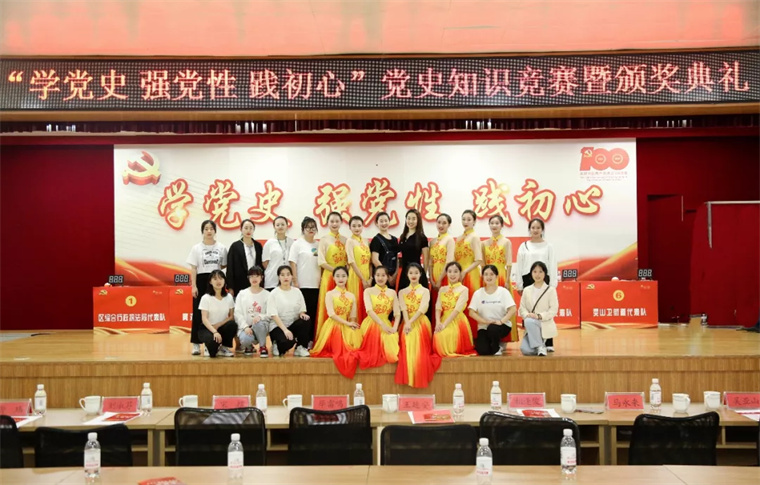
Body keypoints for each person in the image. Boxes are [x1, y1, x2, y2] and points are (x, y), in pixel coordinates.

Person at [513, 218, 558, 351]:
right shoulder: (524, 246)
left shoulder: (549, 246)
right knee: (529, 310)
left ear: (542, 229)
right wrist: (519, 284)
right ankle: (533, 341)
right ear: (529, 229)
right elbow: (519, 265)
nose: (535, 230)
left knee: (545, 310)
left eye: (538, 228)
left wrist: (552, 283)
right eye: (533, 227)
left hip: (544, 279)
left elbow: (552, 264)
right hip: (528, 279)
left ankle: (548, 342)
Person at [395, 263, 441, 388]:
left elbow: (422, 309)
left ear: (420, 274)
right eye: (411, 273)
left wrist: (410, 322)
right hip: (406, 322)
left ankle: (417, 374)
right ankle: (410, 374)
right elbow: (403, 309)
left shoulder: (425, 291)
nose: (413, 275)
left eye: (416, 272)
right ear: (407, 275)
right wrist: (407, 323)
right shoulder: (402, 292)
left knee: (417, 345)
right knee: (407, 341)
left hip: (420, 322)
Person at [310, 266, 362, 378]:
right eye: (337, 276)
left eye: (343, 276)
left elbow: (353, 316)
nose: (340, 278)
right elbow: (331, 314)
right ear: (333, 278)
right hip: (333, 326)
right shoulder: (330, 294)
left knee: (355, 347)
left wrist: (352, 326)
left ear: (347, 277)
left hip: (347, 325)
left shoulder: (351, 296)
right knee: (341, 350)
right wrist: (347, 324)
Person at [187, 220, 228, 356]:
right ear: (202, 231)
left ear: (215, 231)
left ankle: (212, 342)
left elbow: (223, 265)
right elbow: (193, 268)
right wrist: (194, 286)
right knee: (198, 312)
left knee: (215, 312)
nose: (209, 231)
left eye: (211, 228)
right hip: (201, 280)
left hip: (216, 281)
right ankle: (196, 343)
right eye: (206, 229)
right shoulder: (196, 248)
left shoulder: (221, 247)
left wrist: (217, 278)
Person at [483, 215, 519, 345]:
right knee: (489, 306)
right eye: (492, 223)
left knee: (503, 306)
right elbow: (483, 264)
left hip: (501, 276)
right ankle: (491, 337)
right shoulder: (484, 243)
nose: (494, 225)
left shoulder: (506, 242)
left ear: (502, 225)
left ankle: (504, 339)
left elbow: (509, 263)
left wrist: (507, 280)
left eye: (497, 223)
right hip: (488, 277)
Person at [357, 266, 400, 369]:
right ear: (374, 276)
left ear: (387, 277)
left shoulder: (392, 292)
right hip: (371, 324)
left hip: (387, 324)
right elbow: (369, 310)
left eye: (383, 275)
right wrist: (382, 324)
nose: (380, 278)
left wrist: (395, 328)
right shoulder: (368, 291)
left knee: (391, 345)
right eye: (378, 275)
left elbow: (397, 313)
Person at [468, 265, 517, 356]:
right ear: (482, 276)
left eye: (491, 274)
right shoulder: (478, 293)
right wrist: (485, 321)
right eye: (486, 274)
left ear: (496, 276)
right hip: (484, 326)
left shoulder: (503, 292)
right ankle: (493, 345)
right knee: (483, 350)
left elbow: (513, 309)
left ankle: (496, 347)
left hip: (501, 325)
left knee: (492, 328)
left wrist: (501, 321)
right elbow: (471, 312)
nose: (488, 277)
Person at [315, 212, 348, 338]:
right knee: (328, 307)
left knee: (342, 305)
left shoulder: (345, 240)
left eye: (337, 221)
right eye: (332, 221)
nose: (334, 224)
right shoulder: (324, 240)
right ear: (327, 223)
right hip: (329, 276)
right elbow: (321, 261)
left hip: (343, 278)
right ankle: (326, 337)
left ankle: (342, 336)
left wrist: (342, 273)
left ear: (341, 223)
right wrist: (337, 272)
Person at [433, 262, 476, 357]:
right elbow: (438, 307)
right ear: (446, 273)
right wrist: (438, 323)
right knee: (438, 335)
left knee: (446, 335)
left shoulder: (464, 289)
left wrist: (444, 325)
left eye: (456, 271)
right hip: (444, 319)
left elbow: (457, 310)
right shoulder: (442, 289)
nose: (452, 274)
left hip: (457, 320)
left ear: (460, 273)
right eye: (450, 271)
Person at [268, 265, 312, 357]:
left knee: (306, 320)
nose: (286, 277)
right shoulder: (273, 293)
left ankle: (300, 347)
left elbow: (302, 310)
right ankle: (276, 343)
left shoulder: (297, 292)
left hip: (292, 325)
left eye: (288, 274)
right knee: (286, 343)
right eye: (282, 275)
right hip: (278, 326)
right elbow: (273, 315)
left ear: (292, 276)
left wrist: (302, 314)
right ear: (279, 277)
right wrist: (285, 330)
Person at [519, 261, 559, 357]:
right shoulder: (527, 290)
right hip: (531, 324)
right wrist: (527, 315)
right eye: (535, 271)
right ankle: (540, 344)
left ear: (545, 273)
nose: (537, 274)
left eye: (540, 271)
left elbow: (553, 309)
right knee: (525, 350)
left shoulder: (550, 290)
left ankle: (540, 346)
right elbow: (522, 308)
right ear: (531, 273)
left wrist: (539, 316)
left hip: (544, 323)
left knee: (529, 321)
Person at [289, 217, 320, 338]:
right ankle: (301, 340)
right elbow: (292, 263)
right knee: (302, 313)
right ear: (303, 229)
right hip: (302, 284)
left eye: (313, 227)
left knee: (313, 312)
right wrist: (295, 280)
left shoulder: (318, 244)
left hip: (315, 284)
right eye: (308, 227)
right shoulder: (297, 244)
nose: (311, 229)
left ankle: (311, 339)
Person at [455, 210, 483, 337]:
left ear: (474, 222)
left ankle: (474, 336)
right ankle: (463, 334)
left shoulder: (474, 237)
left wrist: (465, 271)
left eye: (469, 219)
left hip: (471, 274)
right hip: (458, 275)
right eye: (463, 219)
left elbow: (479, 260)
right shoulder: (459, 238)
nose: (465, 222)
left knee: (471, 303)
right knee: (460, 304)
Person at [198, 269, 236, 358]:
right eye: (215, 279)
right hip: (208, 328)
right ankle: (208, 346)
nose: (218, 281)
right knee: (212, 353)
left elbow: (231, 316)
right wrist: (214, 331)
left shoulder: (229, 297)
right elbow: (204, 318)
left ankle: (224, 347)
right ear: (210, 282)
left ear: (224, 281)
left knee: (232, 325)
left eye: (221, 278)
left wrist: (218, 325)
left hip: (221, 327)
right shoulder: (206, 298)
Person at [234, 266, 271, 357]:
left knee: (259, 323)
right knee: (245, 339)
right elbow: (237, 313)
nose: (254, 279)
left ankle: (262, 346)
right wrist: (245, 327)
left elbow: (270, 313)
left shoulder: (267, 294)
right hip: (247, 327)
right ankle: (249, 346)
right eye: (252, 276)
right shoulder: (242, 294)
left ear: (261, 277)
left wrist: (260, 317)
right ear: (248, 278)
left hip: (261, 326)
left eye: (257, 276)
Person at [345, 216, 372, 325]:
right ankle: (355, 327)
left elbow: (370, 262)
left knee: (366, 303)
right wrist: (363, 279)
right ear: (350, 228)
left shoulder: (366, 241)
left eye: (359, 226)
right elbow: (351, 262)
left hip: (367, 275)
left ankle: (365, 328)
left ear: (362, 227)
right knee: (356, 301)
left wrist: (370, 278)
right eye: (354, 226)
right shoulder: (350, 241)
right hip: (355, 275)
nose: (357, 228)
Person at [226, 219, 263, 298]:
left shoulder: (258, 246)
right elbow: (230, 268)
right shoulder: (235, 246)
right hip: (239, 283)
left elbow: (261, 265)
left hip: (256, 281)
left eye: (251, 228)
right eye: (246, 228)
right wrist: (230, 287)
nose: (248, 230)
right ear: (241, 229)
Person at [428, 213, 455, 311]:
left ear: (449, 225)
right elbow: (430, 262)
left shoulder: (450, 240)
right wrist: (431, 279)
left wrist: (439, 280)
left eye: (444, 223)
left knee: (445, 303)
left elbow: (449, 262)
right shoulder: (432, 241)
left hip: (445, 275)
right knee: (435, 303)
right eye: (439, 222)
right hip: (434, 276)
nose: (441, 225)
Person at [397, 209, 429, 291]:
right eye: (408, 218)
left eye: (414, 219)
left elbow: (426, 258)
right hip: (404, 272)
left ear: (418, 220)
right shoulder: (403, 236)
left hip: (416, 273)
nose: (411, 221)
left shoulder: (422, 237)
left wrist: (423, 274)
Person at [262, 216, 294, 291]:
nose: (280, 226)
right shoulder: (269, 243)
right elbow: (265, 263)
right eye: (278, 225)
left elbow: (293, 261)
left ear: (287, 226)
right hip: (272, 280)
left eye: (283, 224)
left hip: (287, 280)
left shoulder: (292, 242)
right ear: (274, 227)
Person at [369, 212, 399, 288]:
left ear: (389, 222)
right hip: (380, 277)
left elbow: (397, 258)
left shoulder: (395, 239)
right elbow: (375, 260)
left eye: (386, 221)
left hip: (393, 277)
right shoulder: (376, 240)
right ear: (376, 223)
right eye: (381, 221)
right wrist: (386, 276)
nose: (384, 223)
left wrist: (395, 275)